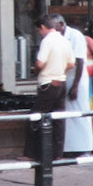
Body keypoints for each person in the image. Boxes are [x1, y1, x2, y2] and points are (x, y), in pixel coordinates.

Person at [25, 14, 74, 161]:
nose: (39, 33)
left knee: (36, 117)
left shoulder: (47, 41)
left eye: (39, 31)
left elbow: (40, 63)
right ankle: (57, 153)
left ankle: (31, 153)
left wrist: (35, 70)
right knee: (58, 119)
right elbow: (71, 64)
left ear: (43, 27)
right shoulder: (64, 40)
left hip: (48, 83)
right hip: (62, 82)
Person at [54, 14, 93, 155]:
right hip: (65, 77)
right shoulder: (57, 37)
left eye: (55, 27)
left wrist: (75, 86)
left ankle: (84, 148)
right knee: (67, 115)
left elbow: (80, 62)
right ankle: (69, 148)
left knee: (79, 114)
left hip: (77, 79)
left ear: (61, 24)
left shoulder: (75, 36)